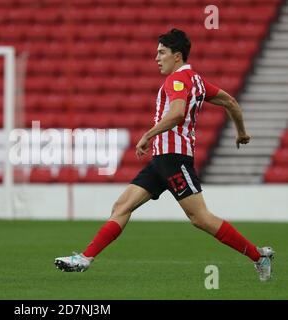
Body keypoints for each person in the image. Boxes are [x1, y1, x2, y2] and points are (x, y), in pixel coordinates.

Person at [54, 29, 274, 282]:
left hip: (174, 159)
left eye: (161, 53)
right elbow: (231, 102)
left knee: (200, 218)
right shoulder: (198, 81)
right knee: (122, 206)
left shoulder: (176, 80)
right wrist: (241, 132)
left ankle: (259, 256)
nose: (156, 58)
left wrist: (148, 135)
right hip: (162, 160)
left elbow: (178, 112)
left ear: (177, 56)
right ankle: (85, 257)